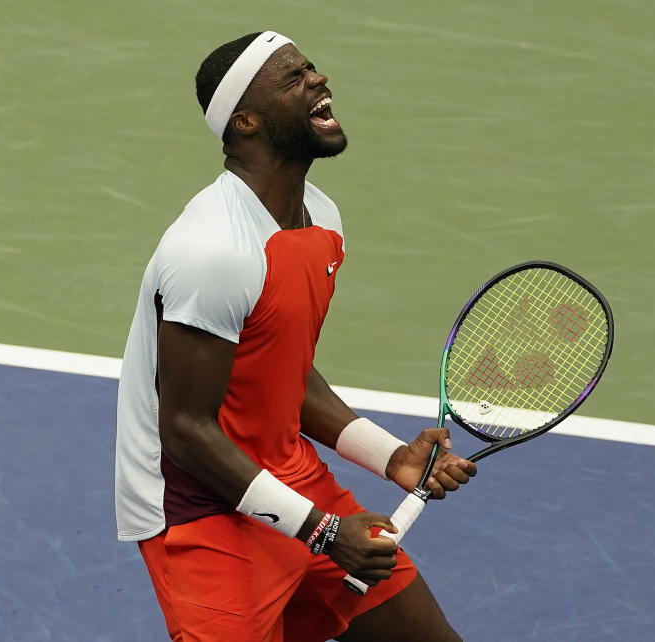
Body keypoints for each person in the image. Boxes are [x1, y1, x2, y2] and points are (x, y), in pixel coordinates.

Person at [115, 31, 476, 642]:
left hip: (290, 480)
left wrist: (389, 456)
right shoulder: (214, 251)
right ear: (246, 120)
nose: (318, 79)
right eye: (292, 77)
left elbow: (282, 372)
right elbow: (184, 430)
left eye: (311, 67)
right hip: (201, 513)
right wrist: (323, 532)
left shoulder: (322, 220)